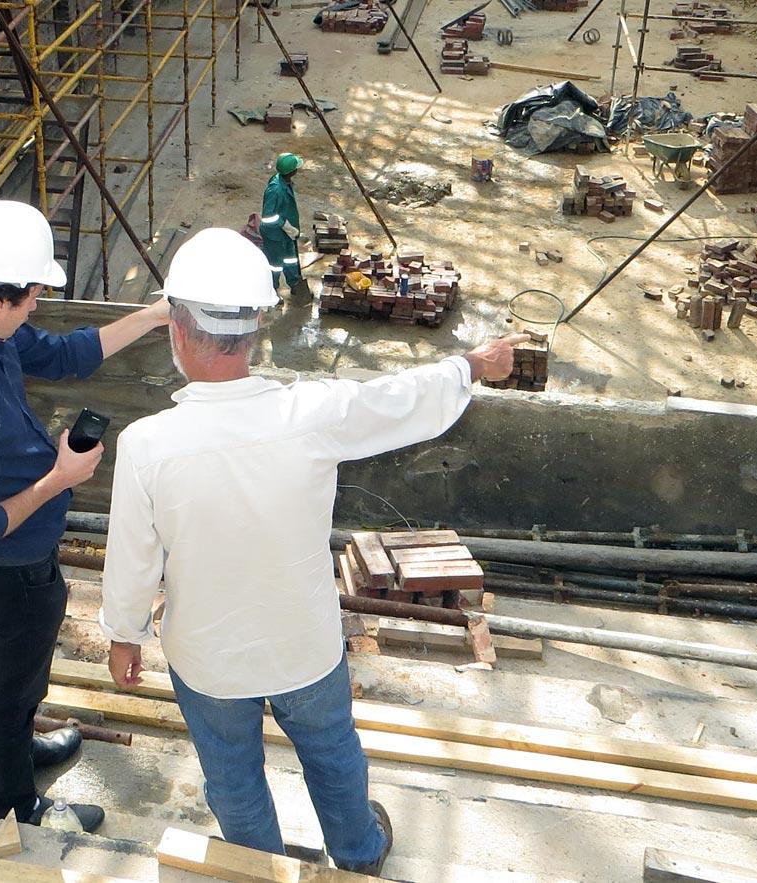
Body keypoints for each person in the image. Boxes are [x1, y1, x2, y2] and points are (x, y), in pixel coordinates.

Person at [96, 227, 529, 875]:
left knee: (234, 781)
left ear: (177, 333)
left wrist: (122, 636)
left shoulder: (148, 444)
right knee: (332, 752)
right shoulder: (311, 414)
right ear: (257, 329)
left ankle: (263, 869)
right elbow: (399, 399)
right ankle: (358, 853)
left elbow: (133, 560)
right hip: (305, 646)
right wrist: (471, 363)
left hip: (210, 659)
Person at [0, 199, 172, 832]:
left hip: (29, 557)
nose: (37, 306)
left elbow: (62, 355)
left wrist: (156, 316)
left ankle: (22, 748)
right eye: (32, 296)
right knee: (6, 686)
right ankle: (14, 802)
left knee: (22, 673)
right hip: (3, 568)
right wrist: (58, 479)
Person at [259, 152, 308, 300]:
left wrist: (290, 229)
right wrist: (285, 225)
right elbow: (268, 217)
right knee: (274, 265)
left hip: (286, 235)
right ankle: (271, 292)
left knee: (290, 259)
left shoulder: (284, 182)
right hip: (274, 236)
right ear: (291, 171)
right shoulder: (275, 190)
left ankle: (295, 284)